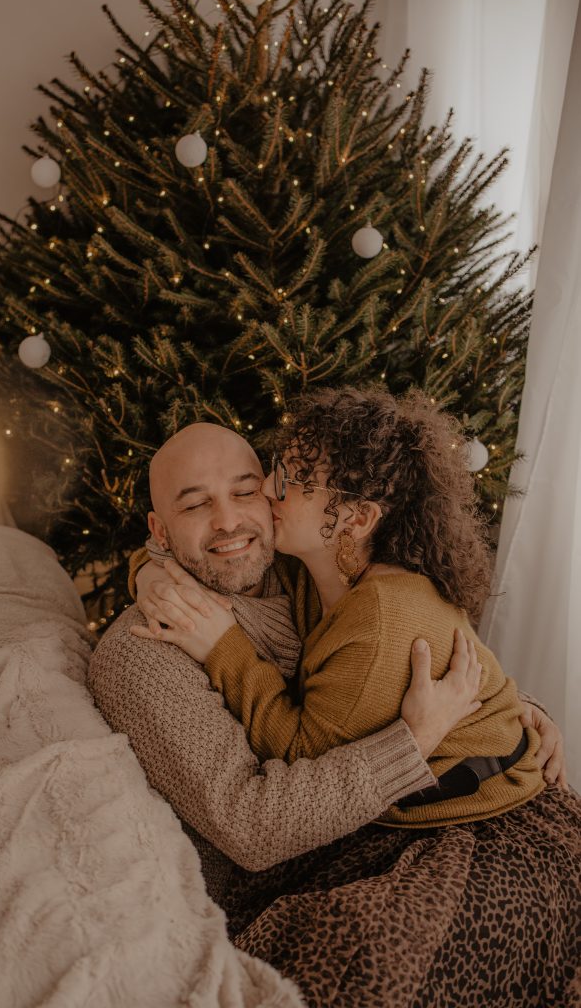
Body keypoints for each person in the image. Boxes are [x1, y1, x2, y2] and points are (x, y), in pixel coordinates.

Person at [131, 391, 580, 1007]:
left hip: (476, 814)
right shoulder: (293, 578)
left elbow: (319, 727)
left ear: (355, 518)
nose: (254, 503)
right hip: (387, 817)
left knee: (377, 961)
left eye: (263, 486)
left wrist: (225, 647)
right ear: (159, 528)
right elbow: (256, 819)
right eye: (196, 504)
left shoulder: (339, 595)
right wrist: (149, 571)